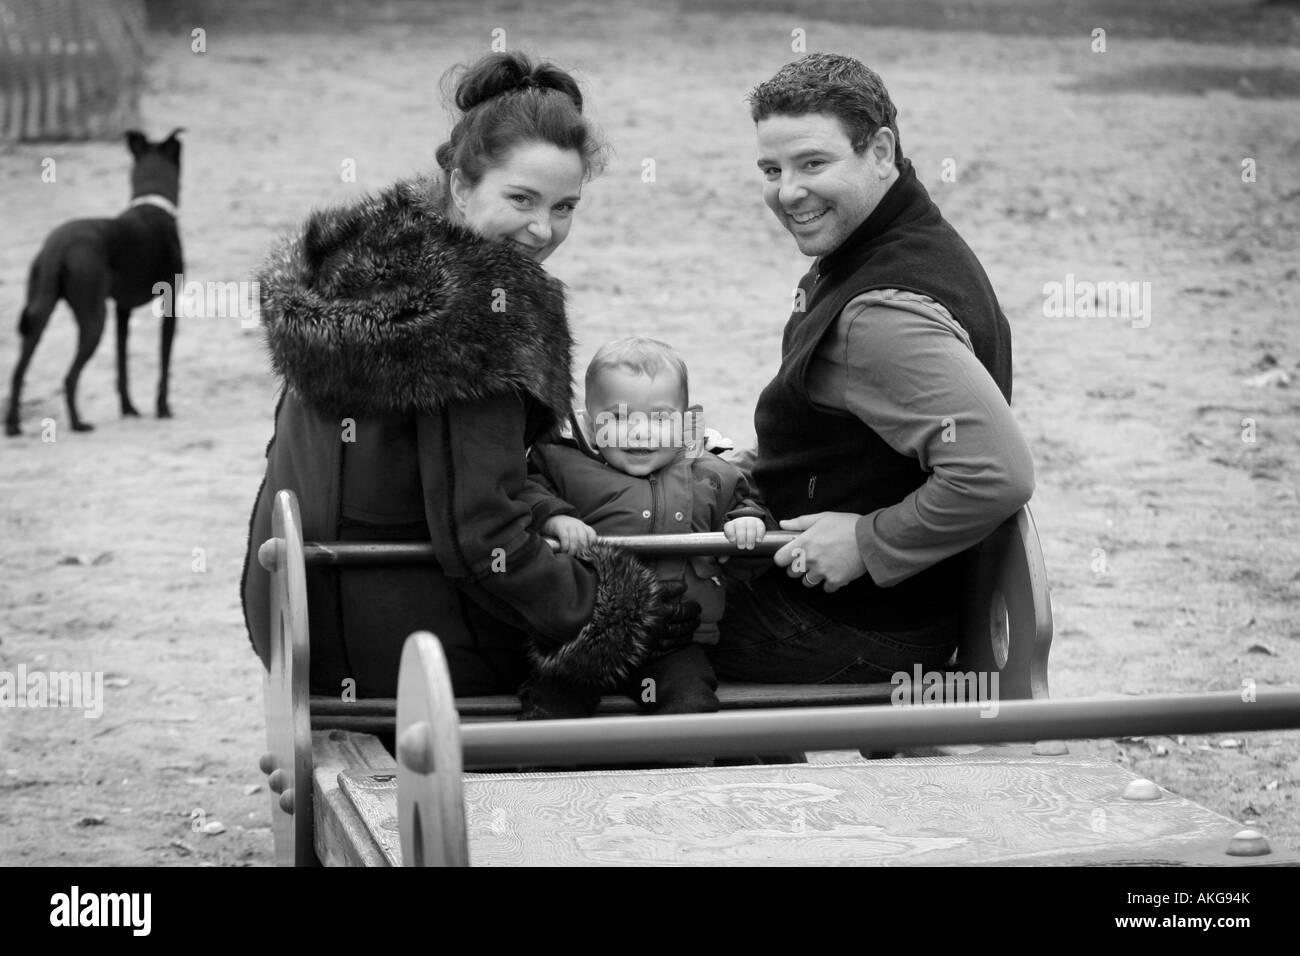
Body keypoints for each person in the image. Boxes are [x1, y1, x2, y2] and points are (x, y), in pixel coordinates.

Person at [240, 52, 698, 700]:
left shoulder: (360, 266)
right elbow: (485, 538)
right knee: (685, 650)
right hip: (412, 654)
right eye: (521, 199)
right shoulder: (484, 313)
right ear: (459, 186)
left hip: (298, 621)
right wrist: (618, 609)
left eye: (564, 207)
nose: (544, 230)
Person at [710, 53, 1035, 685]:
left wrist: (869, 542)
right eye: (771, 169)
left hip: (858, 628)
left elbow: (998, 473)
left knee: (624, 633)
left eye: (813, 163)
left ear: (880, 150)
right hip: (880, 609)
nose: (788, 191)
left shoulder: (879, 315)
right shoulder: (907, 242)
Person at [521, 336, 771, 718]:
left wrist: (748, 523)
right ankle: (544, 770)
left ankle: (685, 770)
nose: (639, 433)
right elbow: (525, 492)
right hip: (585, 637)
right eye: (618, 418)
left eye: (660, 418)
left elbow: (745, 504)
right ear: (588, 422)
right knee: (554, 700)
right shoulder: (562, 464)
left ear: (687, 423)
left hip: (677, 638)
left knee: (692, 700)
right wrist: (555, 516)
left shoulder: (711, 473)